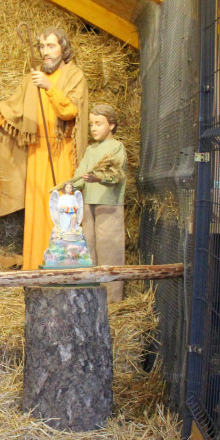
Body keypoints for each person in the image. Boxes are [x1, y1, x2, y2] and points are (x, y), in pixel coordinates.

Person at [0, 26, 89, 270]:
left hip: (62, 152)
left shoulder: (75, 76)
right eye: (41, 47)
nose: (45, 52)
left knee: (60, 210)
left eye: (51, 46)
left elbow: (70, 111)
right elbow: (10, 112)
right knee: (37, 213)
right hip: (37, 153)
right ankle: (34, 269)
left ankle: (61, 270)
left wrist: (49, 88)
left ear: (63, 49)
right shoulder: (31, 80)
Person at [61, 103, 127, 302]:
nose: (94, 128)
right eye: (91, 124)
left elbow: (116, 175)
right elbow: (81, 174)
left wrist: (98, 178)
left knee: (109, 248)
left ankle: (111, 297)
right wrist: (70, 185)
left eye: (99, 123)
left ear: (111, 125)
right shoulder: (91, 150)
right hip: (89, 205)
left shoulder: (116, 147)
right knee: (88, 247)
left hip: (109, 205)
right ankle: (90, 295)